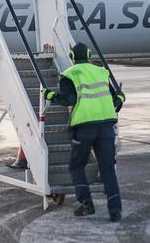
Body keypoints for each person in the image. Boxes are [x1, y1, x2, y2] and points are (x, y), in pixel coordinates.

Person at [45, 43, 125, 221]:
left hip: (84, 126)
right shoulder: (101, 72)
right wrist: (121, 98)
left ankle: (86, 203)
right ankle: (115, 211)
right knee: (107, 168)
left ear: (72, 56)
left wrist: (49, 95)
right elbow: (115, 100)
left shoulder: (69, 74)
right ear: (89, 54)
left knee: (76, 166)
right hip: (106, 126)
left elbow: (69, 99)